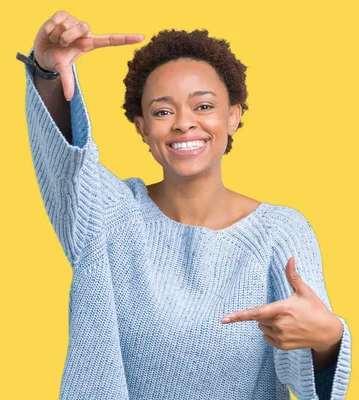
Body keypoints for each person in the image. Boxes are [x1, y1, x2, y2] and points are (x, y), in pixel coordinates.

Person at [17, 10, 351, 400]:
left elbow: (306, 365)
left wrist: (328, 340)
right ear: (142, 127)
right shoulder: (110, 215)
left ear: (233, 117)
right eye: (162, 111)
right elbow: (66, 168)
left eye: (204, 106)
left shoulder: (280, 233)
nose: (183, 123)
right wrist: (48, 74)